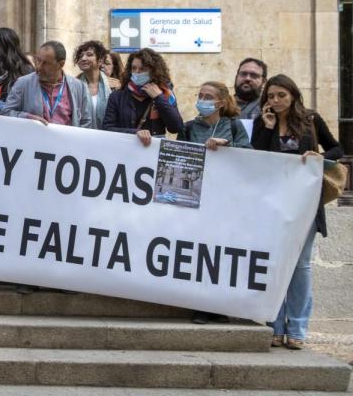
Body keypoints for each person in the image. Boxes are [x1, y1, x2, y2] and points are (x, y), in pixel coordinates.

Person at [251, 75, 342, 350]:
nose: (276, 100)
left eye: (281, 95)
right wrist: (268, 127)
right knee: (275, 263)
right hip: (273, 203)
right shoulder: (262, 122)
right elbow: (257, 157)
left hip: (305, 203)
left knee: (300, 266)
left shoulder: (310, 120)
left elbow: (337, 147)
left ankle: (298, 328)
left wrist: (320, 157)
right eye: (271, 96)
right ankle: (275, 325)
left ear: (293, 95)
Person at [178, 81, 251, 325]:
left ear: (220, 102)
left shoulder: (234, 126)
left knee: (222, 251)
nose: (202, 100)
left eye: (208, 96)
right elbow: (179, 155)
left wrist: (227, 145)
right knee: (199, 250)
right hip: (198, 195)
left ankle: (218, 305)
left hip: (228, 198)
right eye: (200, 95)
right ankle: (200, 305)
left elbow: (250, 153)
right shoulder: (189, 127)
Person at [102, 48, 182, 147]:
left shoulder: (165, 94)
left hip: (152, 151)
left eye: (143, 69)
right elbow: (107, 128)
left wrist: (159, 98)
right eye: (134, 68)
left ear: (154, 71)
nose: (137, 72)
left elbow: (176, 127)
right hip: (125, 150)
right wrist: (135, 133)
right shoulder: (118, 96)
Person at [2, 41, 92, 128]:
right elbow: (6, 112)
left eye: (46, 63)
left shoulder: (78, 87)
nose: (39, 67)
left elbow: (85, 122)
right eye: (38, 60)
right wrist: (27, 118)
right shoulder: (23, 83)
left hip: (66, 138)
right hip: (34, 137)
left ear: (61, 64)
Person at [74, 40, 117, 129]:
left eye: (89, 55)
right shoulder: (72, 86)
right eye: (80, 56)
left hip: (108, 135)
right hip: (81, 135)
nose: (83, 58)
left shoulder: (114, 86)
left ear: (100, 60)